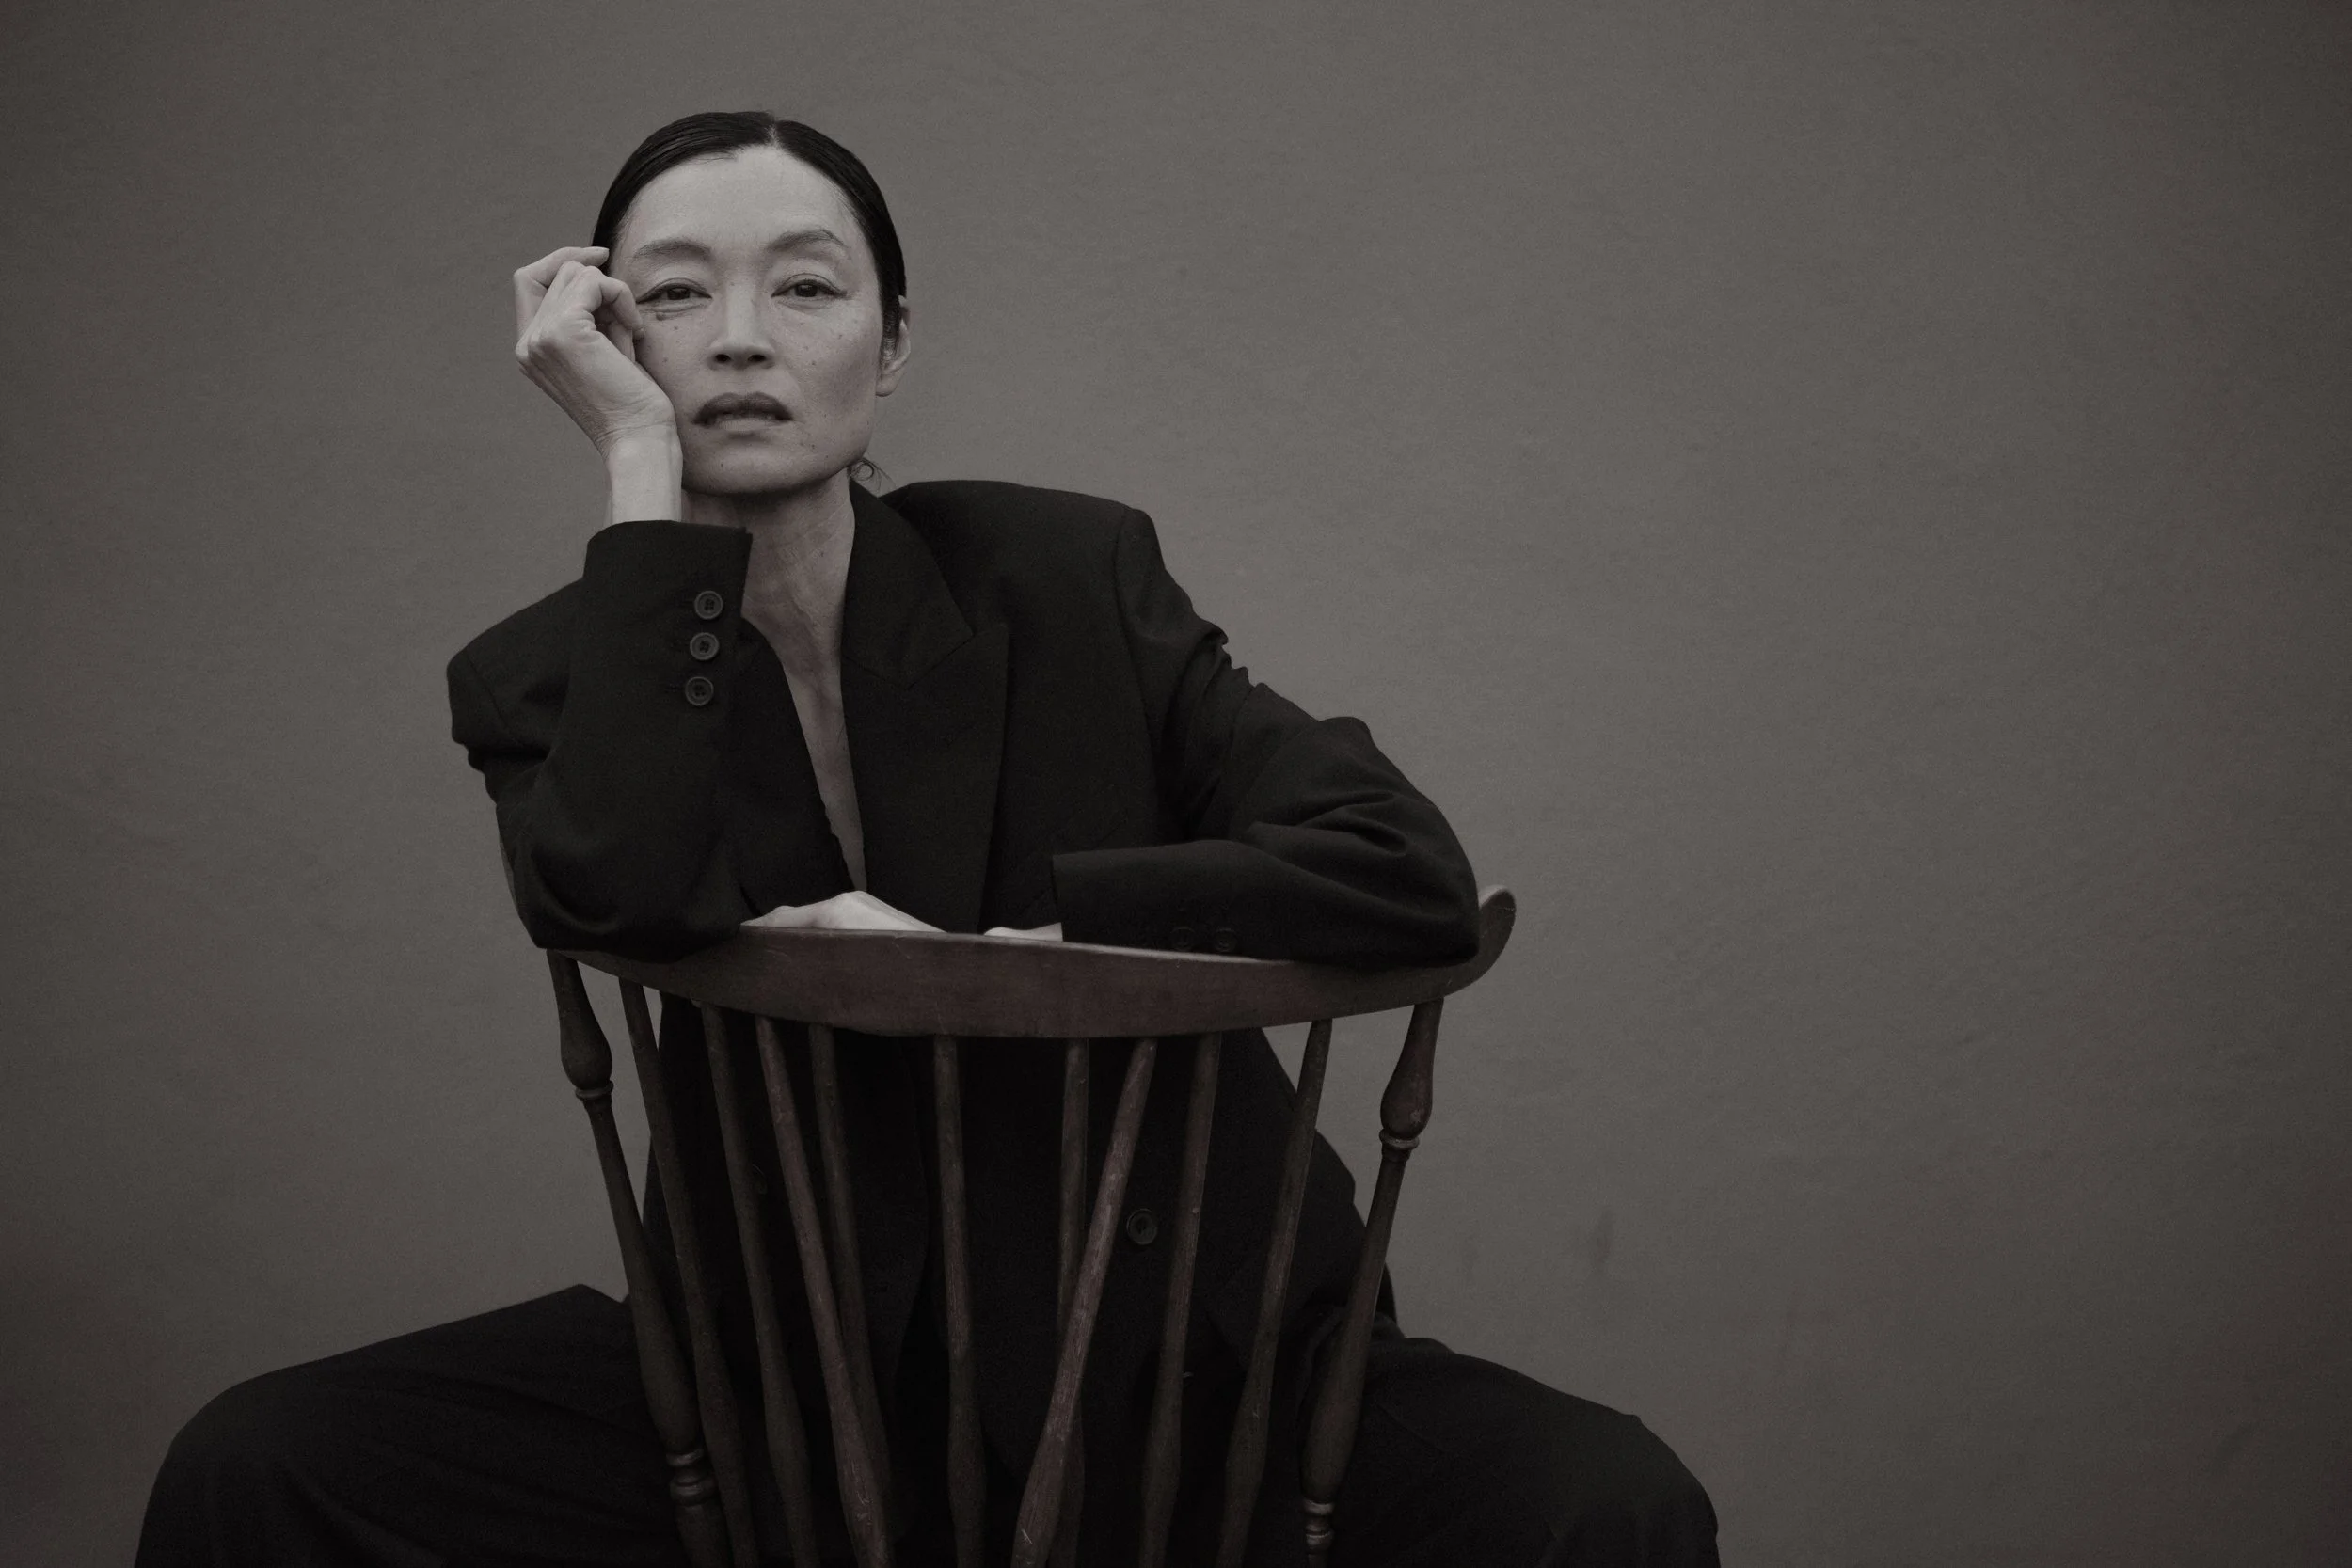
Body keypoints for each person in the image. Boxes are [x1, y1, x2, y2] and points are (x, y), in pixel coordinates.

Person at [137, 112, 1717, 1567]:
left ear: (891, 348)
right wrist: (641, 482)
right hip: (796, 1405)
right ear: (607, 342)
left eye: (808, 288)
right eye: (676, 298)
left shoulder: (1067, 575)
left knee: (1611, 1502)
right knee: (261, 1462)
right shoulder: (549, 675)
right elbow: (613, 888)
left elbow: (1404, 864)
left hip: (1201, 1377)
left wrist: (1019, 953)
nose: (743, 336)